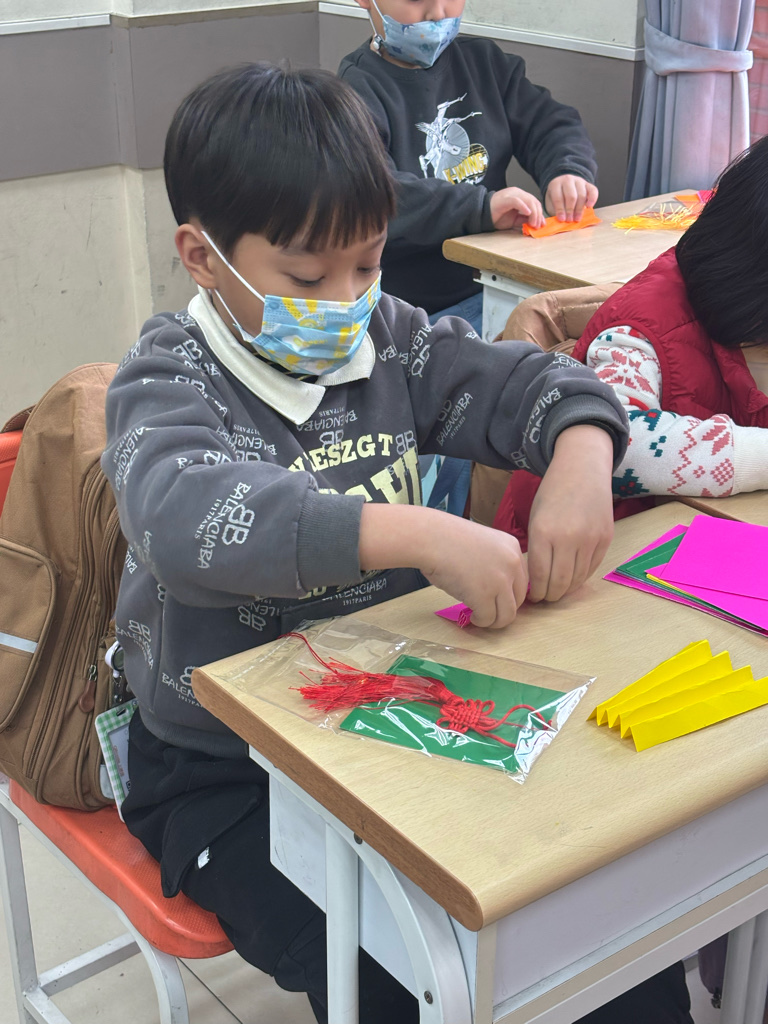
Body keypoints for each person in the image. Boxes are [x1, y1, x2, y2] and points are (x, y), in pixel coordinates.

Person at [101, 62, 687, 1024]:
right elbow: (185, 519)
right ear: (202, 257)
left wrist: (584, 450)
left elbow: (525, 383)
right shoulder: (167, 378)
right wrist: (407, 530)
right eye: (307, 277)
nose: (345, 300)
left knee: (588, 923)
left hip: (388, 716)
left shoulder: (391, 339)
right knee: (403, 977)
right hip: (224, 770)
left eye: (368, 265)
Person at [493, 136, 768, 545]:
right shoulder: (641, 327)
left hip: (701, 538)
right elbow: (621, 446)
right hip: (572, 555)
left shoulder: (745, 313)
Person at [338, 0, 600, 334]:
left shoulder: (485, 63)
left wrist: (567, 170)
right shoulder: (354, 90)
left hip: (499, 283)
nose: (437, 13)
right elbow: (378, 192)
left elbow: (549, 123)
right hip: (411, 310)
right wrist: (481, 208)